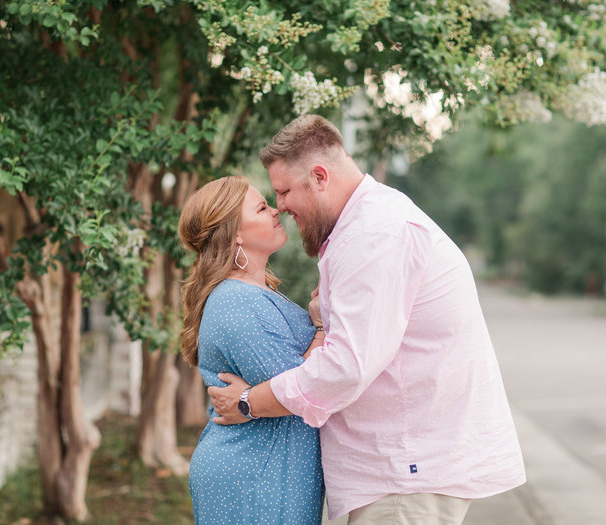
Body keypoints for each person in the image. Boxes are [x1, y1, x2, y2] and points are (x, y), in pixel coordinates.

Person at [208, 115, 527, 524]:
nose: (281, 206)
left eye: (285, 191)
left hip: (402, 477)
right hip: (396, 474)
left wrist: (250, 402)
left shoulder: (373, 236)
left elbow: (346, 367)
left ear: (320, 177)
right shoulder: (365, 226)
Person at [177, 175, 326, 525]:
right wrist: (319, 330)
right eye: (261, 207)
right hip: (254, 476)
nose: (276, 210)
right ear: (235, 234)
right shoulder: (234, 302)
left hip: (271, 469)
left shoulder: (254, 293)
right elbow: (301, 387)